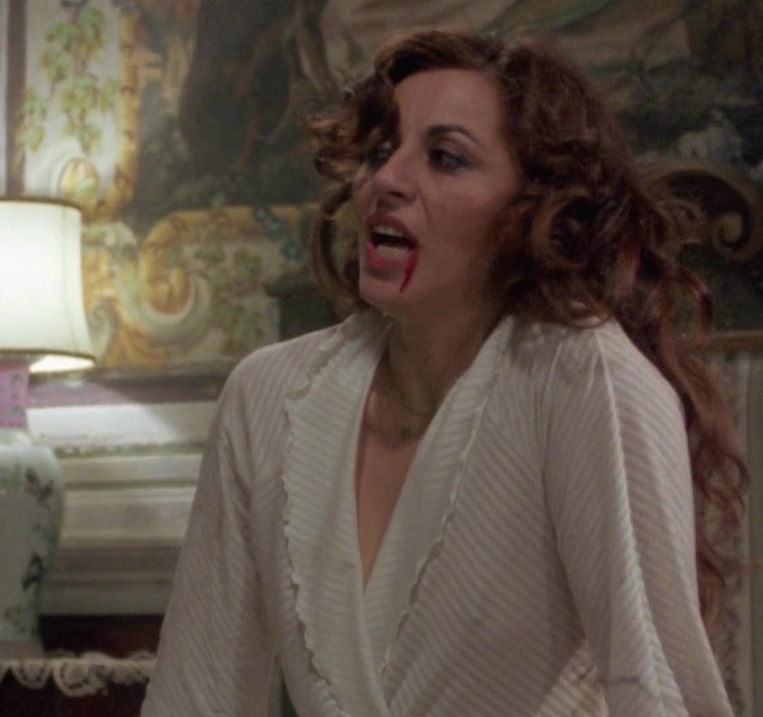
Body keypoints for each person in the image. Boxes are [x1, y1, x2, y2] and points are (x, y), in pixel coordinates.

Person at [140, 28, 746, 716]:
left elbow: (658, 691)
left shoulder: (585, 381)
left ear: (535, 207)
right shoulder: (265, 395)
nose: (387, 181)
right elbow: (195, 695)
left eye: (446, 158)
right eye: (380, 151)